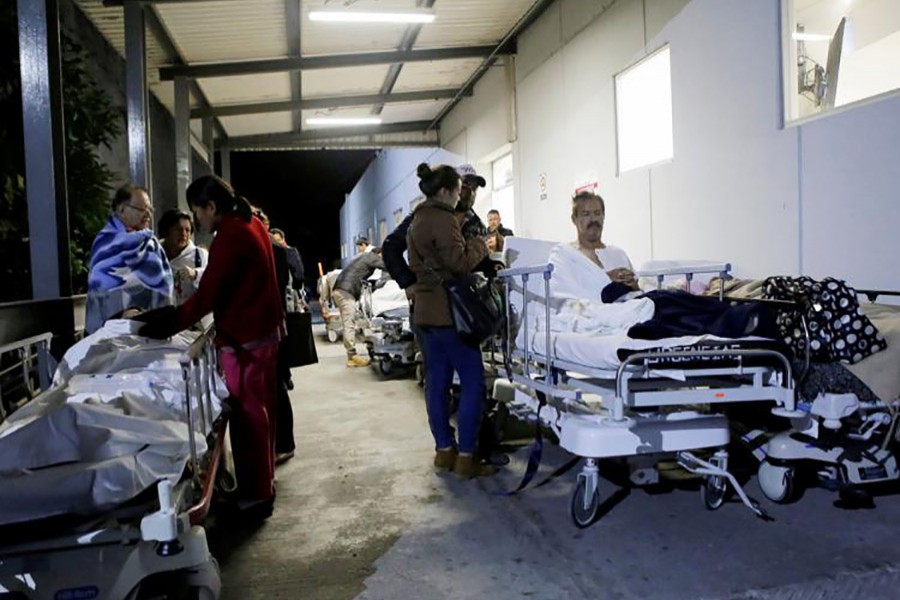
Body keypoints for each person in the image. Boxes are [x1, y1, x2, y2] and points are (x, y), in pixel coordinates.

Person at [137, 175, 284, 518]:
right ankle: (265, 485)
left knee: (248, 418)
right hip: (264, 331)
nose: (197, 220)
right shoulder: (252, 223)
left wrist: (170, 322)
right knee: (264, 412)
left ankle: (257, 495)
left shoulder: (230, 236)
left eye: (197, 212)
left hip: (245, 340)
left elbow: (208, 295)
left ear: (211, 207)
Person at [549, 191, 764, 339]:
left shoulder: (617, 253)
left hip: (636, 301)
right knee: (668, 306)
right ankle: (737, 320)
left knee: (678, 299)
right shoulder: (566, 255)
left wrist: (632, 285)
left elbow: (636, 288)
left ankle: (742, 315)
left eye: (597, 214)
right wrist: (607, 281)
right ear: (574, 219)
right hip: (612, 310)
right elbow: (572, 296)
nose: (593, 220)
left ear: (604, 217)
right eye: (586, 214)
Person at [406, 162, 495, 479]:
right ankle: (467, 457)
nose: (461, 196)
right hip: (450, 315)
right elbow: (459, 264)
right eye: (458, 190)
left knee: (437, 383)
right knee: (473, 384)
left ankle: (444, 450)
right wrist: (480, 244)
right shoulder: (443, 218)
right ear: (445, 191)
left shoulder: (417, 217)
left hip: (426, 313)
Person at [85, 183, 173, 334]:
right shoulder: (105, 244)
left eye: (150, 209)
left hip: (154, 329)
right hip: (115, 331)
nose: (148, 214)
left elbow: (164, 285)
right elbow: (101, 290)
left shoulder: (151, 243)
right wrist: (119, 315)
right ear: (121, 209)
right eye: (141, 209)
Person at [332, 247, 384, 367]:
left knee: (348, 322)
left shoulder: (363, 257)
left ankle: (351, 355)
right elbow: (388, 266)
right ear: (379, 254)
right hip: (346, 291)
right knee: (349, 323)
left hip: (341, 289)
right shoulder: (372, 257)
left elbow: (361, 275)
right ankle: (352, 356)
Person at [158, 209, 208, 305]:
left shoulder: (200, 255)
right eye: (178, 229)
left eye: (187, 230)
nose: (184, 234)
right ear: (166, 231)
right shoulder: (153, 253)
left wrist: (196, 274)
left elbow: (213, 280)